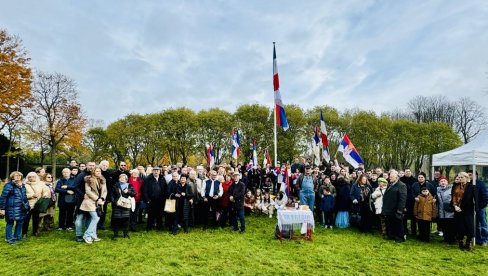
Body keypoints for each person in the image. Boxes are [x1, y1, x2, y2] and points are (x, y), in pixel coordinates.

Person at [79, 167, 107, 244]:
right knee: (96, 218)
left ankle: (93, 235)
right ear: (93, 172)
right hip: (90, 201)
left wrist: (102, 198)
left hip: (99, 201)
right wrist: (97, 198)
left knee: (95, 218)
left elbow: (105, 191)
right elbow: (88, 191)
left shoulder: (103, 179)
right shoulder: (88, 179)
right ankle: (87, 235)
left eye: (99, 171)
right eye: (97, 171)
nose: (99, 172)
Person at [0, 171, 29, 244]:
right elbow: (3, 197)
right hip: (11, 207)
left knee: (20, 222)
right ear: (12, 177)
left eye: (19, 175)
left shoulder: (23, 185)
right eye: (16, 175)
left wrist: (26, 205)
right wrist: (2, 208)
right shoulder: (9, 185)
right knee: (10, 222)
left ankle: (17, 237)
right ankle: (9, 238)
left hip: (21, 208)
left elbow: (24, 196)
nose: (18, 176)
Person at [452, 172, 478, 251]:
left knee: (469, 227)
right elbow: (453, 197)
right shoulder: (455, 187)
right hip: (457, 209)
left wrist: (476, 209)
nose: (460, 179)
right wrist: (455, 206)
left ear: (467, 178)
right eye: (459, 177)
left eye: (462, 177)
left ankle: (468, 242)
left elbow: (476, 199)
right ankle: (461, 242)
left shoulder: (472, 187)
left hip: (468, 210)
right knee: (460, 227)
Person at [23, 172, 50, 238]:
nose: (31, 178)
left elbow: (46, 190)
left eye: (33, 176)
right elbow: (22, 195)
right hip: (28, 204)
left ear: (36, 177)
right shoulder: (24, 185)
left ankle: (35, 231)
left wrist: (45, 195)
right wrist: (31, 195)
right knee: (26, 219)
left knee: (36, 219)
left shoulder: (41, 183)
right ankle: (24, 233)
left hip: (38, 203)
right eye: (29, 177)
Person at [382, 170, 407, 243]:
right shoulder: (390, 184)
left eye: (392, 177)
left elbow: (403, 198)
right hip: (389, 208)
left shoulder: (402, 185)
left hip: (396, 209)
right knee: (390, 222)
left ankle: (400, 237)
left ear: (397, 177)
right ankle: (391, 235)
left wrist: (400, 210)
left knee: (398, 223)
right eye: (390, 176)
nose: (390, 178)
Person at [74, 162, 96, 242]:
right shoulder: (81, 175)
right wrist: (83, 195)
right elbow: (76, 186)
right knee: (80, 217)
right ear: (86, 166)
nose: (91, 167)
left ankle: (88, 234)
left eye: (93, 165)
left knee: (89, 217)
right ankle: (78, 235)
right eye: (90, 165)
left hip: (92, 200)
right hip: (82, 199)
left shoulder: (95, 175)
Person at [110, 174, 135, 239]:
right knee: (116, 220)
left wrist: (128, 191)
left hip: (126, 205)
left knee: (126, 220)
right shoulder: (115, 185)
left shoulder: (129, 185)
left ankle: (125, 234)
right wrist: (114, 202)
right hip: (117, 205)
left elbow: (134, 194)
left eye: (124, 178)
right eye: (120, 178)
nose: (122, 179)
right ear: (119, 179)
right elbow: (111, 195)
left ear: (126, 179)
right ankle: (115, 234)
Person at [142, 166, 167, 231]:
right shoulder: (148, 179)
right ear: (152, 171)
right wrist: (147, 200)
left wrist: (164, 199)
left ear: (159, 171)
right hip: (151, 200)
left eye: (157, 170)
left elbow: (165, 189)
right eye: (155, 170)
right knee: (151, 215)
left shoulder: (162, 178)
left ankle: (159, 227)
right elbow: (144, 190)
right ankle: (149, 228)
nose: (156, 172)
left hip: (160, 200)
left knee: (160, 214)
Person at [468, 170, 488, 246]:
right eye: (468, 175)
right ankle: (478, 239)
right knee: (475, 224)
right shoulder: (468, 184)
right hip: (471, 208)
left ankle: (485, 239)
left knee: (483, 224)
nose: (469, 176)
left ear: (475, 175)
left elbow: (485, 197)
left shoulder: (481, 184)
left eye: (470, 175)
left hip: (480, 208)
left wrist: (479, 207)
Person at [436, 176, 456, 244]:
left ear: (447, 182)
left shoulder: (451, 189)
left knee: (450, 225)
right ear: (439, 183)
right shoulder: (437, 190)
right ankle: (445, 238)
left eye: (444, 181)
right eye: (441, 181)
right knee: (444, 225)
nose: (443, 183)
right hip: (441, 211)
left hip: (449, 211)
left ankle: (452, 239)